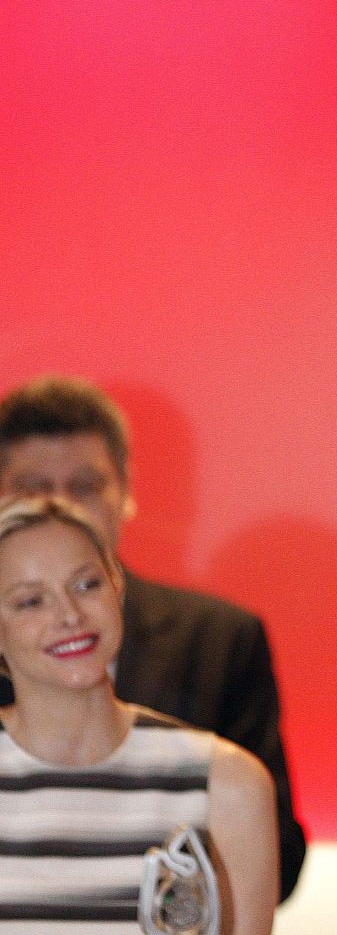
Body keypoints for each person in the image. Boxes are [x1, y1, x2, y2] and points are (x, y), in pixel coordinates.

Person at [0, 377, 307, 900]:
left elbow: (279, 860)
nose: (60, 509)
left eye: (85, 487)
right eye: (34, 489)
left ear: (125, 494)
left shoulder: (219, 639)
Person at [0, 495, 277, 932]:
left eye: (86, 584)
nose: (69, 615)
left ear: (118, 588)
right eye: (31, 601)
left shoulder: (226, 782)